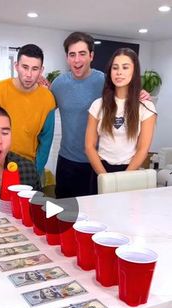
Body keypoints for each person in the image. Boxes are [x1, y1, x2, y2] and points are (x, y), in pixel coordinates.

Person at [85, 48, 157, 194]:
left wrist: (122, 179)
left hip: (129, 171)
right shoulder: (98, 105)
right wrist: (105, 178)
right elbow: (89, 146)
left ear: (134, 71)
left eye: (125, 67)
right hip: (100, 170)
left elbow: (143, 149)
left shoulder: (146, 107)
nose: (119, 72)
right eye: (115, 67)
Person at [0, 44, 56, 175]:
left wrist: (36, 171)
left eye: (35, 69)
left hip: (29, 168)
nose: (29, 74)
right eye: (25, 67)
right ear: (16, 65)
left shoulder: (48, 99)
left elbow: (46, 140)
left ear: (41, 70)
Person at [51, 32, 105, 198]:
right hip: (66, 162)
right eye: (72, 55)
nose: (77, 60)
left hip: (96, 162)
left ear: (91, 56)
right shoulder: (58, 84)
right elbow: (41, 108)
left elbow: (126, 98)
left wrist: (141, 94)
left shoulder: (105, 81)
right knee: (62, 213)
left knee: (94, 215)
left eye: (82, 54)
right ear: (67, 58)